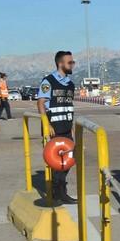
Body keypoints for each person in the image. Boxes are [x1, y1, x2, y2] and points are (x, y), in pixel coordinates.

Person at [37, 51, 78, 205]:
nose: (72, 65)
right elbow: (41, 103)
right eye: (70, 62)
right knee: (56, 163)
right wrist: (46, 125)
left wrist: (72, 128)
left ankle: (59, 191)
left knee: (68, 160)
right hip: (54, 128)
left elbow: (69, 106)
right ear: (60, 64)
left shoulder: (70, 84)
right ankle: (58, 193)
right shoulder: (49, 81)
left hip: (67, 128)